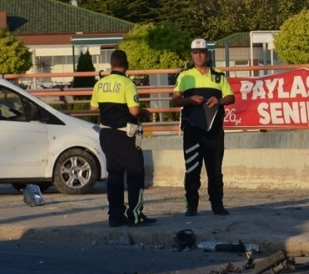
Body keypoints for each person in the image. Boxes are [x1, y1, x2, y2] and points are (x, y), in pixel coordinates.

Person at [89, 50, 156, 228]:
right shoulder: (127, 83)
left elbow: (93, 108)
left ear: (111, 65)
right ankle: (135, 215)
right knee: (136, 172)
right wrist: (145, 113)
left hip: (106, 134)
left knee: (115, 174)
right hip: (124, 134)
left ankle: (115, 216)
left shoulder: (100, 84)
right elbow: (134, 111)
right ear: (126, 65)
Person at [171, 39, 235, 217]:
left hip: (214, 131)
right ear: (191, 55)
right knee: (192, 169)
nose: (198, 56)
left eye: (202, 52)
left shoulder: (218, 75)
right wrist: (189, 100)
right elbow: (175, 99)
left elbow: (231, 97)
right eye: (195, 52)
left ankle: (217, 205)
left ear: (207, 54)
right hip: (193, 130)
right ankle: (191, 206)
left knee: (215, 170)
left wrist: (220, 100)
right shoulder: (185, 76)